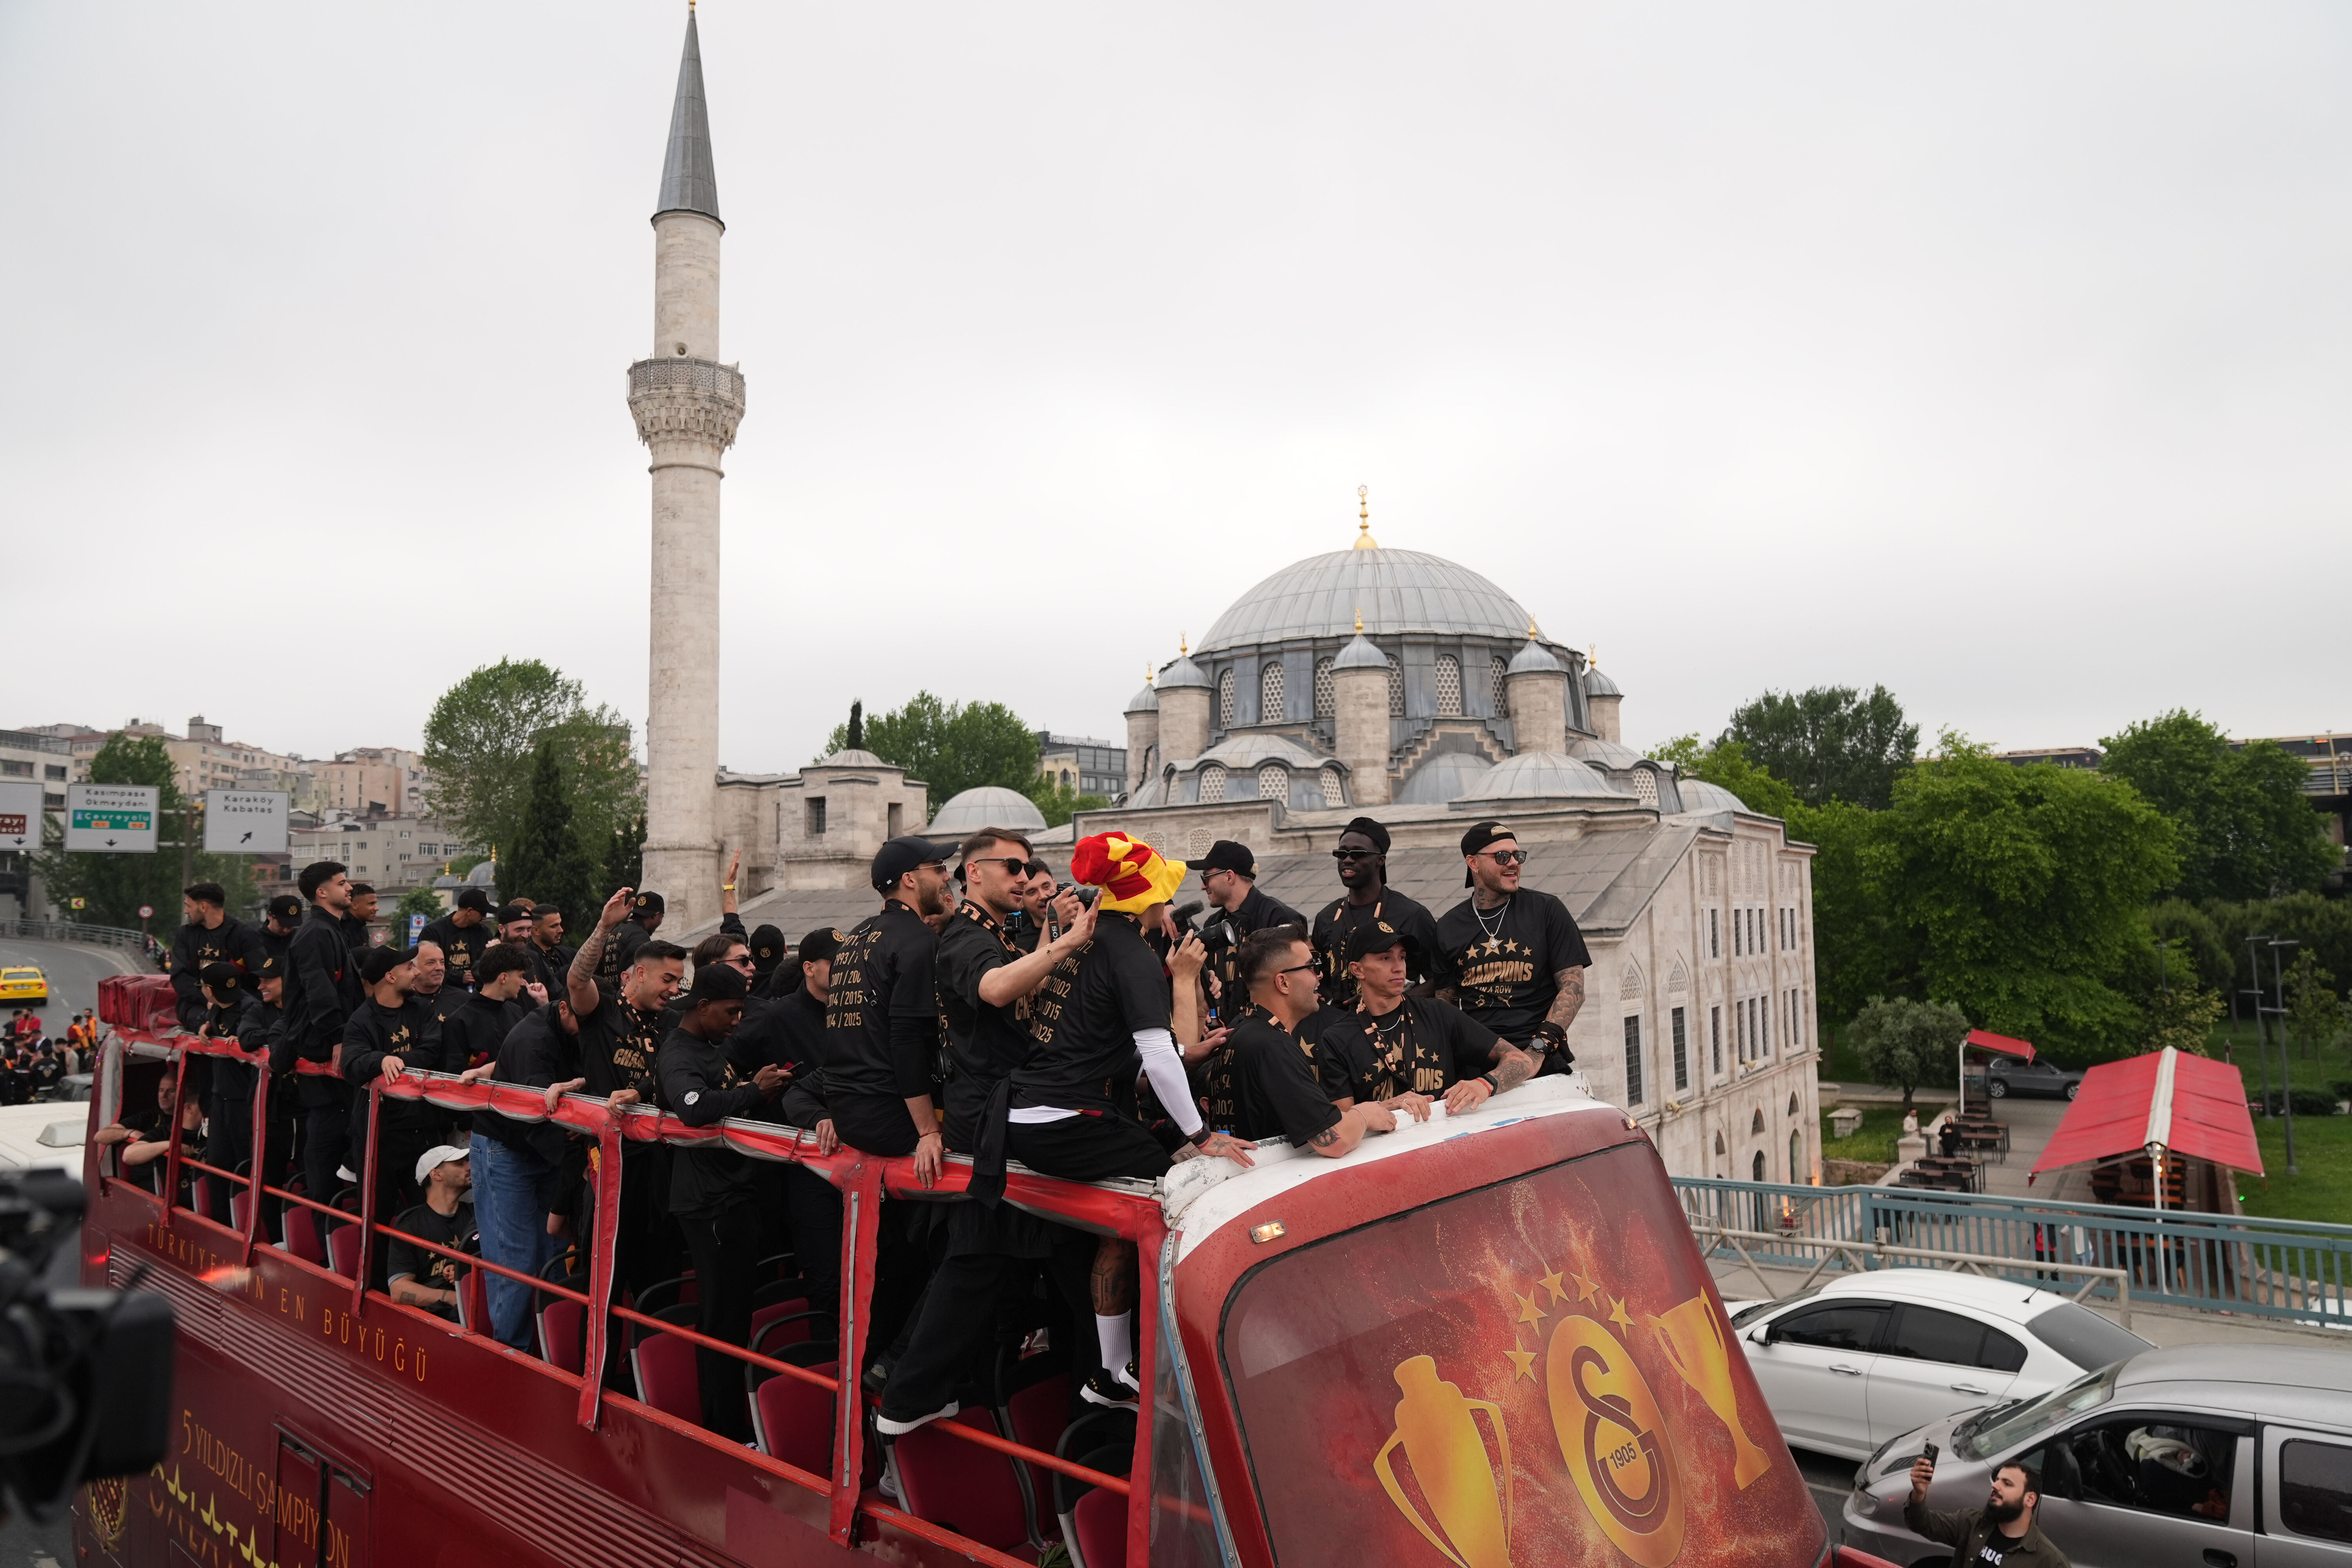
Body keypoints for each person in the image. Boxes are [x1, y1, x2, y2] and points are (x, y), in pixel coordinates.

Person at [986, 832, 1254, 1408]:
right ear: (1150, 901)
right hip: (1067, 1118)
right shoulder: (1131, 953)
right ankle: (1180, 1349)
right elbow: (1160, 1056)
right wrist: (1202, 1137)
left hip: (1030, 1115)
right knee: (1181, 1190)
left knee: (1120, 1226)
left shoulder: (1081, 938)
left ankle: (1112, 1369)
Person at [877, 830, 1098, 1435]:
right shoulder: (965, 938)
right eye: (1013, 867)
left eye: (1029, 868)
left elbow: (1023, 992)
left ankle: (1092, 1381)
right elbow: (995, 989)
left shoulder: (997, 933)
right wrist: (1071, 941)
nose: (1025, 878)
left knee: (1019, 1258)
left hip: (1008, 1113)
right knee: (986, 1256)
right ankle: (907, 1394)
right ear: (974, 872)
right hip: (992, 1122)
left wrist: (1055, 935)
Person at [655, 964, 784, 1439]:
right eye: (731, 1012)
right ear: (703, 1007)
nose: (737, 1021)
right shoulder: (679, 1053)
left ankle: (731, 1420)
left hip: (732, 1197)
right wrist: (752, 1091)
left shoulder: (709, 1049)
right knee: (720, 1321)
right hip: (709, 1205)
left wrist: (758, 1089)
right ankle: (723, 1428)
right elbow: (692, 1108)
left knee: (735, 1317)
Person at [566, 888, 683, 1321]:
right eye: (667, 980)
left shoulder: (673, 1022)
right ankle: (592, 1378)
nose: (674, 989)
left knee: (662, 1287)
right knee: (604, 1287)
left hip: (662, 1170)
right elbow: (577, 982)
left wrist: (644, 1092)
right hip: (612, 1168)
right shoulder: (604, 1009)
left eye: (679, 981)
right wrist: (603, 928)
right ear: (636, 975)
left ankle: (643, 1379)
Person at [823, 835, 958, 1167]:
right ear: (910, 880)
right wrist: (928, 1131)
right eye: (939, 868)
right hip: (892, 1119)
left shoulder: (852, 939)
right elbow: (906, 1038)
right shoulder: (917, 940)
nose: (947, 877)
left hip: (845, 1114)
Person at [463, 995, 586, 1352]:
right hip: (508, 1146)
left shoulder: (572, 1028)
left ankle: (549, 1349)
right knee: (514, 1257)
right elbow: (536, 1112)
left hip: (545, 1146)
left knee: (555, 1251)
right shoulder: (533, 1040)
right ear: (564, 1007)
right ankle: (512, 1353)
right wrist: (576, 1149)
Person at [1203, 929, 1396, 1154]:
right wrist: (1366, 1114)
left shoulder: (1242, 1035)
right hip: (1272, 1183)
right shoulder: (1272, 1045)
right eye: (1311, 967)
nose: (1319, 976)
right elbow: (1335, 1141)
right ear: (1283, 983)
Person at [1315, 924, 1535, 1117]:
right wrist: (1385, 1107)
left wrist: (1484, 1084)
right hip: (1383, 1150)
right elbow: (1341, 1119)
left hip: (1445, 1138)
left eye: (1402, 957)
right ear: (1358, 970)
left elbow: (1522, 1061)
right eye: (1385, 958)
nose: (1399, 967)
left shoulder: (1437, 1012)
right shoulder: (1336, 1037)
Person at [1433, 821, 1591, 1077]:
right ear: (1473, 863)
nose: (1514, 863)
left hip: (1542, 1062)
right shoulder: (1449, 926)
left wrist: (1535, 1053)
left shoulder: (1546, 911)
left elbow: (1574, 989)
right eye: (1502, 856)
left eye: (1517, 856)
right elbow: (1446, 1004)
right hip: (1478, 1067)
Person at [341, 944, 451, 1223]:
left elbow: (432, 1051)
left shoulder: (422, 1009)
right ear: (391, 977)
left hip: (423, 1133)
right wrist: (379, 1061)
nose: (416, 973)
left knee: (431, 1215)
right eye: (409, 968)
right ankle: (378, 1268)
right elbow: (351, 1064)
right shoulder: (361, 1020)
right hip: (380, 1138)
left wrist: (395, 1060)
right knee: (377, 1218)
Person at [282, 860, 365, 1207]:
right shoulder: (317, 933)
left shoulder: (333, 930)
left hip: (333, 1044)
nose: (350, 888)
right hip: (322, 1049)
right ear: (322, 892)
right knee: (325, 1158)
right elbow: (321, 992)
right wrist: (338, 1038)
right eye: (343, 883)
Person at [1309, 817, 1441, 1012]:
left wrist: (1390, 1000)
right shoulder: (1327, 918)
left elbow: (1439, 979)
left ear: (1381, 860)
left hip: (1394, 1025)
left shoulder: (1412, 915)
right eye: (1342, 853)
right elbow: (1324, 982)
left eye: (1358, 854)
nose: (1348, 859)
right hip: (1339, 1029)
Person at [1906, 1453, 2069, 1566]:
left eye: (2007, 1483)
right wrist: (1919, 1494)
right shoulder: (1973, 1523)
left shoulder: (2049, 1560)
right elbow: (1923, 1524)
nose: (1995, 1486)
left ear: (2030, 1499)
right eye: (1998, 1480)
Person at [386, 1146, 477, 1321]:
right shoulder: (410, 1225)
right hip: (437, 1317)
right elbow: (398, 1290)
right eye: (460, 1164)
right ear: (436, 1175)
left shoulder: (476, 1215)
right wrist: (449, 1297)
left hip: (477, 1305)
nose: (469, 1167)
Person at [169, 882, 256, 1033]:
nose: (185, 911)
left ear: (203, 907)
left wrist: (224, 1001)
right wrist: (208, 999)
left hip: (237, 1003)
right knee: (199, 1019)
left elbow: (259, 976)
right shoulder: (185, 935)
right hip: (197, 1003)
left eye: (189, 906)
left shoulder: (243, 935)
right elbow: (180, 976)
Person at [443, 945, 539, 1074]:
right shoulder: (459, 1022)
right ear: (504, 978)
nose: (523, 983)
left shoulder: (516, 1012)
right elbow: (453, 1075)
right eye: (521, 976)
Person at [421, 888, 494, 993]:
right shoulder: (434, 931)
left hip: (475, 993)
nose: (485, 918)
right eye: (483, 913)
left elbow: (487, 963)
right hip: (441, 993)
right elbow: (426, 967)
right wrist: (460, 978)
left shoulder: (484, 933)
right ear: (469, 911)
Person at [597, 890, 666, 987]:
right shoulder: (640, 936)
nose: (660, 922)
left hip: (609, 996)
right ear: (656, 915)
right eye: (661, 917)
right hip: (624, 998)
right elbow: (637, 977)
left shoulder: (615, 932)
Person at [527, 905, 575, 994]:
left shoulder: (565, 953)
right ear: (536, 931)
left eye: (560, 924)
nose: (561, 930)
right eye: (554, 926)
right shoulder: (528, 960)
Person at [256, 893, 305, 974]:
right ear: (270, 916)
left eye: (290, 926)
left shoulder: (300, 938)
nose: (286, 930)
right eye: (282, 925)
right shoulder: (256, 940)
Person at [343, 883, 379, 955]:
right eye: (371, 904)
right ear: (354, 905)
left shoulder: (362, 928)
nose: (377, 908)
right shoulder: (343, 929)